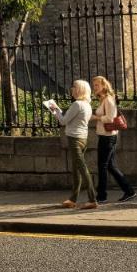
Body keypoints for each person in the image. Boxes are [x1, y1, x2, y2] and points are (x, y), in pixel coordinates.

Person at [52, 79, 97, 209]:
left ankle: (92, 199)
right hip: (83, 138)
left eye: (73, 87)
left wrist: (55, 110)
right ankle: (73, 199)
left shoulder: (77, 104)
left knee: (82, 169)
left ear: (78, 90)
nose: (71, 89)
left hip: (74, 139)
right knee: (76, 170)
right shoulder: (87, 105)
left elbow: (63, 121)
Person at [91, 75, 136, 204]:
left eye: (97, 85)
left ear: (104, 86)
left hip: (108, 137)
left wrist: (96, 118)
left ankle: (102, 196)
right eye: (94, 85)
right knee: (110, 166)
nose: (95, 88)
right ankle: (129, 191)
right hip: (105, 135)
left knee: (103, 166)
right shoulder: (103, 99)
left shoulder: (108, 100)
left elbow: (110, 118)